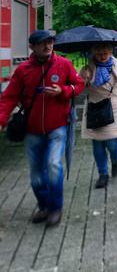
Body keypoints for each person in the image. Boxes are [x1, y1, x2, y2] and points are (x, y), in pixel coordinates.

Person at [0, 30, 85, 227]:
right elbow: (9, 97)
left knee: (54, 165)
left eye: (50, 42)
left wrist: (62, 91)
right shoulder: (23, 70)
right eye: (42, 43)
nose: (47, 46)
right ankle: (44, 205)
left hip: (58, 127)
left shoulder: (64, 64)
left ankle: (56, 208)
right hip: (33, 130)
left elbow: (78, 85)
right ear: (32, 47)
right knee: (37, 175)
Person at [79, 43, 117, 189]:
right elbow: (78, 89)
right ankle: (103, 174)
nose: (102, 56)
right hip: (95, 110)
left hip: (113, 109)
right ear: (94, 52)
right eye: (99, 54)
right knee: (97, 145)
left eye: (105, 53)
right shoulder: (87, 69)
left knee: (112, 144)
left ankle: (116, 162)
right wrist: (84, 79)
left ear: (111, 52)